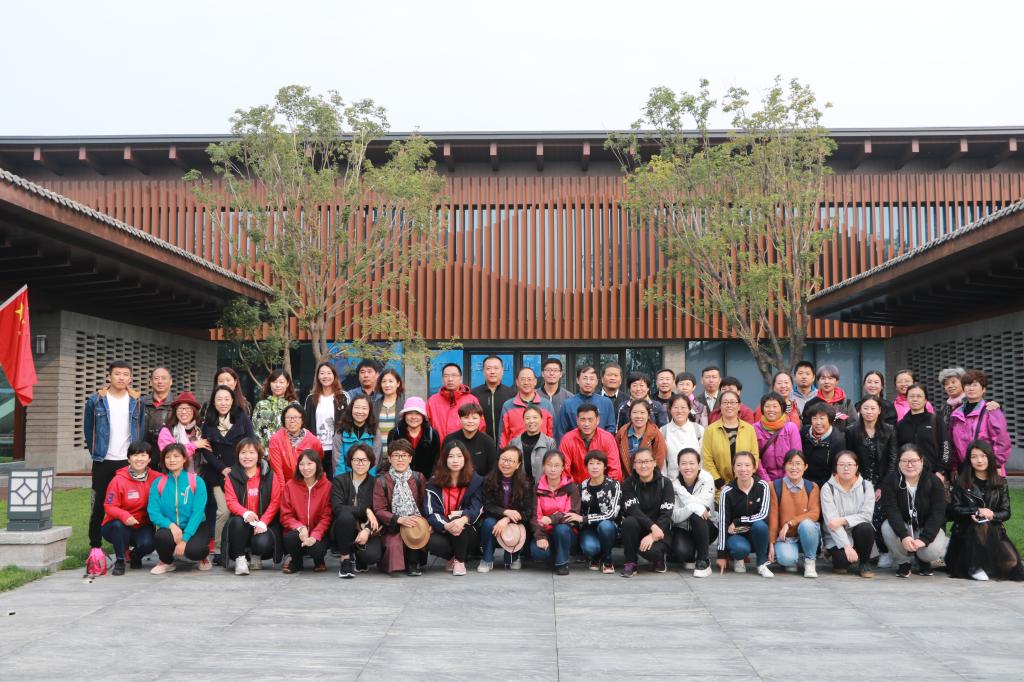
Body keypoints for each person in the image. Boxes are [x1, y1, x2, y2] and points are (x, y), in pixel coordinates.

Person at [84, 360, 146, 562]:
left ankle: (126, 546)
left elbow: (140, 429)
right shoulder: (96, 400)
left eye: (125, 374)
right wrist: (97, 452)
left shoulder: (137, 401)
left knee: (130, 504)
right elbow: (89, 431)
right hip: (104, 460)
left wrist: (136, 456)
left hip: (127, 461)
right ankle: (95, 546)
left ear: (130, 378)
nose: (121, 378)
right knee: (99, 504)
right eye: (117, 374)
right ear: (109, 376)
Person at [947, 440, 1024, 581]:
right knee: (980, 524)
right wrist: (976, 511)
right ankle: (974, 566)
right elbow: (955, 509)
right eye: (974, 456)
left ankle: (986, 564)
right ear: (969, 460)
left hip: (994, 532)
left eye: (983, 456)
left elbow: (1006, 512)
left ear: (989, 457)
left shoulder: (1000, 482)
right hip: (965, 533)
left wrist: (992, 514)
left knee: (1012, 563)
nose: (979, 460)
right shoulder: (961, 481)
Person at [199, 384, 256, 566]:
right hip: (218, 474)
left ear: (232, 400)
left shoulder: (242, 417)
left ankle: (245, 548)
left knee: (244, 509)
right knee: (223, 511)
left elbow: (251, 441)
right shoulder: (208, 421)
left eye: (226, 399)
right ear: (213, 402)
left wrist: (241, 466)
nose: (223, 403)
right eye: (219, 399)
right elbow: (206, 450)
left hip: (241, 472)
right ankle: (218, 549)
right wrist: (222, 469)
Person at [845, 396, 898, 567]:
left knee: (880, 514)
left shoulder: (889, 430)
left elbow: (893, 461)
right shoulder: (852, 430)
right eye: (865, 408)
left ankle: (884, 551)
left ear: (879, 410)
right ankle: (864, 552)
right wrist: (856, 483)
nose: (869, 412)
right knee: (861, 516)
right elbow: (849, 458)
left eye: (873, 408)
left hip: (883, 481)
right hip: (859, 481)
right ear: (859, 410)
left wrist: (882, 486)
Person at [880, 445, 948, 578]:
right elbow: (891, 510)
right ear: (899, 462)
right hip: (905, 526)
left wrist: (924, 539)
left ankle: (924, 560)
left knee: (930, 552)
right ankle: (903, 562)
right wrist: (903, 535)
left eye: (914, 461)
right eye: (905, 461)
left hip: (926, 528)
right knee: (887, 527)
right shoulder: (890, 481)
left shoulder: (934, 481)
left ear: (921, 461)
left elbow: (938, 513)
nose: (909, 465)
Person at [147, 443, 210, 574]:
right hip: (171, 527)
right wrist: (171, 526)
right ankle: (167, 562)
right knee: (161, 536)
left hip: (195, 526)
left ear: (184, 459)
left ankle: (202, 557)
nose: (172, 460)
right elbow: (153, 512)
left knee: (195, 551)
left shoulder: (197, 481)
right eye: (168, 457)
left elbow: (197, 513)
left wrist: (184, 539)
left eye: (176, 456)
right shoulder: (158, 483)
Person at [222, 438, 282, 575]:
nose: (247, 456)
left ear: (259, 455)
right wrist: (245, 513)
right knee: (237, 522)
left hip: (262, 523)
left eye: (251, 452)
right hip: (242, 523)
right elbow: (231, 501)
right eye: (243, 452)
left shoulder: (269, 475)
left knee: (262, 543)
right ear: (238, 455)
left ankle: (256, 555)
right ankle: (240, 558)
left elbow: (275, 501)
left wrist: (264, 522)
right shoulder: (231, 476)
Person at [424, 442, 484, 576]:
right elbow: (431, 511)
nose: (455, 460)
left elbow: (477, 507)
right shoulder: (434, 483)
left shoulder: (476, 481)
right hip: (443, 528)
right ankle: (457, 556)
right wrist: (446, 525)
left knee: (457, 522)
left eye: (459, 456)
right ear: (444, 459)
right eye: (451, 456)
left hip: (468, 528)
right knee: (429, 540)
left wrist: (462, 520)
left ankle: (460, 561)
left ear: (465, 458)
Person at [101, 441, 160, 575]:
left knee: (149, 544)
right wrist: (125, 516)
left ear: (149, 459)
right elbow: (109, 506)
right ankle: (120, 560)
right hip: (117, 525)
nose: (139, 459)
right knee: (118, 526)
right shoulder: (118, 480)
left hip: (142, 525)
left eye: (143, 455)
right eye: (135, 455)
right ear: (128, 459)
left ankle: (135, 556)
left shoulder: (157, 478)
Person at [372, 440, 429, 575]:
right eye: (396, 455)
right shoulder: (382, 481)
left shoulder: (418, 477)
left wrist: (425, 523)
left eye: (404, 455)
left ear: (410, 458)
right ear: (389, 458)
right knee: (394, 544)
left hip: (415, 522)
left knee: (415, 533)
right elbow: (379, 509)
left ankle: (414, 563)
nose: (400, 459)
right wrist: (399, 519)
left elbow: (424, 503)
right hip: (393, 524)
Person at [715, 451, 773, 578]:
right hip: (736, 535)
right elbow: (723, 523)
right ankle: (738, 557)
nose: (743, 469)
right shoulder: (727, 491)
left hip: (756, 534)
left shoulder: (762, 486)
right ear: (733, 468)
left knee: (760, 526)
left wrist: (738, 521)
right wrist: (721, 555)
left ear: (754, 468)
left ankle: (761, 564)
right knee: (739, 549)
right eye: (739, 465)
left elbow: (763, 515)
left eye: (747, 465)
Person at [479, 445, 536, 572]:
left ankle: (513, 557)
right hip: (495, 520)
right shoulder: (488, 480)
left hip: (516, 522)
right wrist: (505, 512)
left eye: (511, 461)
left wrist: (507, 519)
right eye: (503, 459)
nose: (506, 463)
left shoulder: (525, 484)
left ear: (518, 464)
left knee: (518, 528)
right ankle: (487, 559)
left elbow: (528, 512)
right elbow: (487, 505)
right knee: (488, 523)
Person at [820, 451, 876, 577]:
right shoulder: (828, 488)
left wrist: (843, 520)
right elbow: (832, 523)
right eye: (841, 465)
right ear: (836, 467)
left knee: (866, 527)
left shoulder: (866, 486)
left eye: (850, 464)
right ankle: (835, 554)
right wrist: (847, 546)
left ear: (856, 467)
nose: (846, 468)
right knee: (842, 562)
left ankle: (864, 562)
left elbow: (866, 515)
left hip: (858, 532)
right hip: (835, 534)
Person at [331, 443, 383, 578]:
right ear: (350, 461)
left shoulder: (376, 483)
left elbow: (380, 511)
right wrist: (365, 510)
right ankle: (345, 559)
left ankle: (360, 556)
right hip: (342, 528)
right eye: (356, 460)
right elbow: (337, 508)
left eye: (364, 460)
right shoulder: (339, 481)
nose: (360, 463)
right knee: (346, 516)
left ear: (370, 462)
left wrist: (367, 531)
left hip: (365, 527)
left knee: (371, 556)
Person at [620, 447, 674, 577]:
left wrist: (653, 535)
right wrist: (652, 527)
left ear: (654, 463)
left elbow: (666, 514)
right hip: (639, 529)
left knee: (652, 553)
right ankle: (631, 562)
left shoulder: (665, 483)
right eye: (639, 462)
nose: (643, 465)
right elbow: (634, 510)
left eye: (647, 461)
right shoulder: (628, 484)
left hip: (660, 530)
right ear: (634, 465)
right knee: (628, 522)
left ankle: (659, 559)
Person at [766, 450, 821, 578]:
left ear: (805, 466)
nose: (794, 467)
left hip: (807, 534)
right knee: (787, 560)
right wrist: (771, 543)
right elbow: (773, 516)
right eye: (790, 463)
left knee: (807, 524)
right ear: (784, 466)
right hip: (786, 538)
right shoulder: (774, 486)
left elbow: (814, 513)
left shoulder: (812, 487)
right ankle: (793, 558)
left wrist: (790, 523)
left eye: (798, 463)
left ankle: (810, 561)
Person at [949, 369, 1012, 477]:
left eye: (975, 385)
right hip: (964, 469)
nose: (971, 388)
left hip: (987, 468)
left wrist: (997, 464)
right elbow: (952, 443)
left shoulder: (991, 411)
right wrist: (953, 467)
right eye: (967, 385)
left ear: (983, 389)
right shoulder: (956, 414)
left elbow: (1002, 441)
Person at [279, 449, 331, 573]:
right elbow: (285, 515)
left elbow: (327, 517)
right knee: (290, 537)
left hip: (318, 532)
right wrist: (300, 527)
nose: (305, 468)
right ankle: (296, 562)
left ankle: (319, 561)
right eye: (302, 464)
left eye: (309, 463)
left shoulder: (327, 486)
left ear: (317, 465)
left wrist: (315, 535)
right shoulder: (290, 485)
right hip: (298, 533)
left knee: (316, 549)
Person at [701, 390, 758, 500]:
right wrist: (720, 483)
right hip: (720, 488)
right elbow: (707, 459)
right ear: (720, 406)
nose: (729, 405)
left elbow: (754, 456)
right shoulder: (710, 430)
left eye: (732, 402)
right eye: (725, 402)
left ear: (739, 406)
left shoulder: (749, 429)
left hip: (745, 485)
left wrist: (744, 479)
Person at [532, 451, 581, 575]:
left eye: (557, 465)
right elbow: (535, 516)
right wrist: (540, 536)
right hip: (545, 531)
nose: (552, 469)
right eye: (549, 465)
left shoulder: (571, 487)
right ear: (543, 466)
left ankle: (562, 564)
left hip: (566, 533)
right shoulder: (538, 487)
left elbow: (572, 514)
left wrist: (551, 518)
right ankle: (553, 555)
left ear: (563, 467)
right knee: (538, 553)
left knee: (561, 529)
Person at [670, 448, 716, 578]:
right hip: (683, 528)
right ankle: (691, 553)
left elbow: (703, 507)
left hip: (706, 528)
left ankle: (703, 559)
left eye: (692, 463)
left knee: (697, 516)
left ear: (699, 465)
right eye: (684, 463)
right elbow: (675, 516)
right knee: (682, 553)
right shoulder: (673, 484)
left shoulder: (707, 479)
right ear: (678, 466)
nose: (688, 467)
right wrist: (692, 507)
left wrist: (681, 492)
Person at [303, 361, 349, 479]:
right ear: (318, 376)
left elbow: (348, 422)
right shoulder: (311, 398)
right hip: (316, 449)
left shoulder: (342, 397)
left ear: (334, 375)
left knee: (336, 481)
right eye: (322, 373)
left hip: (336, 449)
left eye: (329, 373)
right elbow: (306, 424)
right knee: (317, 481)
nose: (325, 376)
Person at [578, 450, 621, 573]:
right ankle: (595, 557)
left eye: (598, 463)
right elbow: (578, 512)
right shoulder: (581, 486)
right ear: (586, 467)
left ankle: (607, 560)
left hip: (609, 528)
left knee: (605, 525)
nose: (595, 467)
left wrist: (585, 518)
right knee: (590, 548)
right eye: (591, 463)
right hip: (589, 529)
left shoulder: (614, 485)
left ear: (605, 466)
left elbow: (612, 514)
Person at [559, 403, 622, 483]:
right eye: (583, 420)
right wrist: (575, 489)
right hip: (575, 486)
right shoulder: (567, 439)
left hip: (603, 486)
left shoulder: (607, 438)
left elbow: (615, 470)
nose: (586, 424)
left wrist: (605, 487)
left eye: (590, 420)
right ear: (577, 420)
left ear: (597, 420)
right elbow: (564, 470)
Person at [498, 366, 555, 447]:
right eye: (523, 379)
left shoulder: (547, 404)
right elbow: (503, 435)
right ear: (517, 382)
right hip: (516, 452)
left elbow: (552, 432)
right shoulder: (508, 405)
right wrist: (503, 452)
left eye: (529, 379)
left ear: (535, 382)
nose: (526, 382)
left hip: (542, 451)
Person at [556, 365, 616, 439]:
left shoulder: (606, 403)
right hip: (574, 444)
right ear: (577, 380)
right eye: (585, 378)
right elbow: (561, 432)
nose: (588, 382)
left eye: (591, 379)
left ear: (596, 381)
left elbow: (611, 429)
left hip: (600, 444)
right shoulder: (567, 404)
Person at [753, 392, 803, 482]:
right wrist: (767, 481)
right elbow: (755, 458)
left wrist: (785, 481)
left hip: (789, 478)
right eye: (767, 406)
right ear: (762, 409)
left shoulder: (791, 428)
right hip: (763, 480)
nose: (771, 410)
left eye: (775, 406)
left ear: (782, 408)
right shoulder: (754, 429)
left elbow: (796, 456)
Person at [268, 402, 323, 482]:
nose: (292, 421)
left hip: (307, 483)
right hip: (286, 484)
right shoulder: (275, 440)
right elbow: (277, 472)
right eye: (288, 418)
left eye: (296, 417)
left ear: (302, 420)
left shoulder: (313, 441)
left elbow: (318, 461)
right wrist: (285, 490)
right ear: (284, 420)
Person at [895, 384, 942, 479]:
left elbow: (945, 446)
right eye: (911, 396)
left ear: (925, 400)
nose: (915, 399)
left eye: (919, 396)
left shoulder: (935, 420)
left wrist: (941, 471)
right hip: (908, 474)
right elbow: (897, 450)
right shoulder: (901, 424)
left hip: (933, 475)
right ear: (907, 399)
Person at [157, 391, 210, 473]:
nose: (184, 412)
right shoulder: (167, 431)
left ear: (194, 411)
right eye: (180, 408)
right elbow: (169, 454)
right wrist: (194, 445)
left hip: (201, 475)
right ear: (175, 411)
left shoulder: (202, 428)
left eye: (188, 408)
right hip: (175, 475)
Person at [427, 363, 482, 441]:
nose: (450, 379)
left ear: (460, 378)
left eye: (454, 375)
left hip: (465, 447)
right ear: (442, 379)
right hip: (439, 447)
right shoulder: (432, 401)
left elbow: (480, 426)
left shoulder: (472, 400)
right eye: (446, 376)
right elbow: (426, 427)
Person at [387, 397, 441, 476]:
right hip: (399, 479)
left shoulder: (432, 434)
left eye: (418, 413)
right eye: (409, 413)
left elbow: (436, 461)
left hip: (426, 480)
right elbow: (391, 458)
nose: (413, 417)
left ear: (423, 416)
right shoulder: (395, 433)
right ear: (404, 415)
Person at [441, 403, 497, 476]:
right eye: (466, 417)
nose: (470, 421)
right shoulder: (449, 439)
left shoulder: (487, 441)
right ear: (459, 419)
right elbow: (442, 465)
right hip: (454, 481)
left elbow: (492, 470)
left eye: (474, 418)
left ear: (481, 419)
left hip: (481, 482)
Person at [333, 394, 382, 477]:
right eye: (356, 407)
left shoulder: (375, 432)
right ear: (351, 409)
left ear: (370, 411)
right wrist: (342, 481)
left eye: (364, 408)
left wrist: (368, 481)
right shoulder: (341, 431)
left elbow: (375, 461)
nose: (360, 411)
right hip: (346, 478)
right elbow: (338, 461)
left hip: (368, 479)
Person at [800, 402, 848, 487]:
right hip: (804, 482)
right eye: (814, 418)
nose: (818, 422)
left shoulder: (838, 439)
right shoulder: (804, 432)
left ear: (830, 420)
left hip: (826, 484)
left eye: (822, 418)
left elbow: (837, 468)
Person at [616, 400, 668, 477]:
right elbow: (617, 460)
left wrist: (650, 479)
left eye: (642, 412)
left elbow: (659, 460)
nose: (638, 416)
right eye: (635, 412)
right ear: (630, 415)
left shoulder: (656, 434)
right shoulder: (621, 434)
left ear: (648, 415)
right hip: (626, 480)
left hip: (649, 479)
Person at [471, 355, 516, 443]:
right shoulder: (474, 394)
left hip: (506, 444)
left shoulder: (512, 394)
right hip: (480, 443)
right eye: (488, 368)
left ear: (502, 371)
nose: (492, 372)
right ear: (483, 371)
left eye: (496, 368)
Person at [660, 394, 704, 481]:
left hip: (697, 482)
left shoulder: (699, 430)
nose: (679, 411)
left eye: (683, 407)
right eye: (675, 407)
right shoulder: (663, 431)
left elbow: (703, 459)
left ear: (689, 409)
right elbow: (662, 463)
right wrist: (665, 483)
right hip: (672, 481)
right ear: (670, 409)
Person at [509, 405, 557, 483]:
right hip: (519, 486)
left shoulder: (550, 443)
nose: (531, 421)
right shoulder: (514, 442)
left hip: (542, 486)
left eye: (535, 417)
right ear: (523, 421)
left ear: (541, 420)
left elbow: (553, 467)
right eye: (527, 418)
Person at [251, 369, 298, 446]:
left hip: (288, 449)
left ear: (287, 384)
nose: (277, 385)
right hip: (265, 450)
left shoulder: (294, 405)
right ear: (270, 383)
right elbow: (255, 429)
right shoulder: (261, 405)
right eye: (274, 382)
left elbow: (299, 430)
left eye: (281, 382)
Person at [142, 366, 173, 454]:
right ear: (151, 382)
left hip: (170, 453)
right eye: (156, 378)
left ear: (171, 381)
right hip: (144, 452)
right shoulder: (140, 403)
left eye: (164, 378)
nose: (160, 381)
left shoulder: (177, 404)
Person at [372, 368, 406, 450]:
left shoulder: (405, 406)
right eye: (384, 381)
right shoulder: (373, 405)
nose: (387, 385)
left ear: (398, 384)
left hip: (398, 453)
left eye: (391, 381)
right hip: (376, 453)